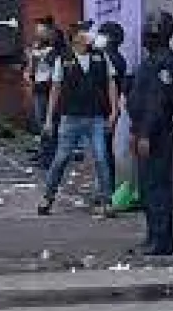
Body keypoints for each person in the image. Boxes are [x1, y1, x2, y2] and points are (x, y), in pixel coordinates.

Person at [37, 20, 120, 217]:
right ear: (75, 37)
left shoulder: (101, 57)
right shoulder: (64, 59)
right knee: (61, 158)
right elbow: (55, 90)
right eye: (84, 31)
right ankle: (47, 197)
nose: (89, 35)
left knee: (101, 157)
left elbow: (111, 83)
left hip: (96, 117)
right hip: (70, 118)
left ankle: (107, 201)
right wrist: (49, 119)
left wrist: (114, 110)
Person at [127, 11, 173, 256]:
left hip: (158, 134)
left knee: (157, 187)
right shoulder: (151, 61)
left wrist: (146, 133)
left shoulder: (165, 63)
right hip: (144, 130)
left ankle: (161, 240)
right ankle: (152, 236)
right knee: (147, 188)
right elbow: (140, 99)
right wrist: (135, 130)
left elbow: (158, 103)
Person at [22, 16, 67, 169]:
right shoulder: (38, 45)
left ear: (49, 30)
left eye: (41, 30)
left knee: (50, 122)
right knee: (41, 122)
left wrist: (40, 55)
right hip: (39, 87)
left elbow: (57, 62)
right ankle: (43, 152)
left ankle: (49, 157)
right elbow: (32, 66)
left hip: (50, 88)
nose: (38, 33)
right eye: (37, 30)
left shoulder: (58, 45)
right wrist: (30, 61)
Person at [92, 21, 127, 190]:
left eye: (102, 35)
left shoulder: (112, 59)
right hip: (104, 109)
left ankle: (106, 188)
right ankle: (105, 187)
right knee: (103, 150)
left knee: (103, 151)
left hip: (105, 110)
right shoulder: (112, 58)